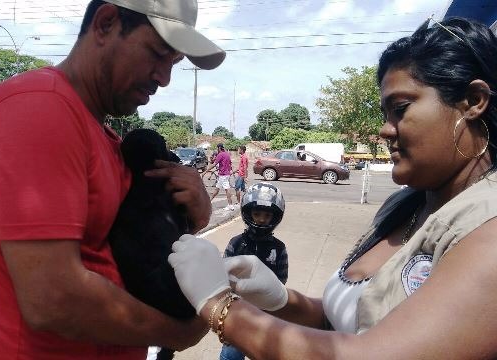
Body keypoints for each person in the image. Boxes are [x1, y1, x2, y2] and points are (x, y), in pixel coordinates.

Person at [168, 17, 497, 359]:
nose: (385, 130)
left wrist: (220, 305)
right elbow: (341, 324)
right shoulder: (404, 206)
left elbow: (370, 354)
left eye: (400, 109)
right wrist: (282, 301)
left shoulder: (488, 228)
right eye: (385, 113)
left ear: (473, 101)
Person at [0, 0, 225, 359]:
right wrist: (185, 331)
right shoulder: (38, 108)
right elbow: (52, 298)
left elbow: (132, 255)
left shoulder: (104, 137)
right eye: (158, 54)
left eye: (173, 63)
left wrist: (194, 216)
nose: (164, 77)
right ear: (106, 22)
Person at [219, 182, 288, 360]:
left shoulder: (278, 248)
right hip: (239, 313)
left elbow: (282, 280)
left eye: (267, 215)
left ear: (275, 217)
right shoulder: (236, 243)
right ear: (248, 213)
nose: (261, 219)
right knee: (230, 355)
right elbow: (223, 276)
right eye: (257, 214)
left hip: (267, 313)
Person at [202, 143, 234, 210]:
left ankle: (230, 205)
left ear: (219, 148)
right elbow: (230, 164)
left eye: (217, 148)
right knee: (217, 189)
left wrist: (205, 171)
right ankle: (209, 202)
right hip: (225, 174)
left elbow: (214, 164)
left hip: (223, 175)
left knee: (227, 189)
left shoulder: (220, 154)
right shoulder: (227, 154)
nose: (217, 149)